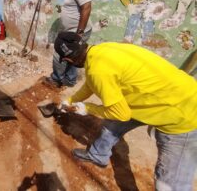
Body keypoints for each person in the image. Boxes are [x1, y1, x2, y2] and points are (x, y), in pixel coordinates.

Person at [54, 32, 197, 190]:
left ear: (68, 60)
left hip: (184, 114)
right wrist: (71, 100)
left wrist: (87, 108)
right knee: (112, 124)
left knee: (168, 185)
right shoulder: (101, 51)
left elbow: (121, 114)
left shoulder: (98, 70)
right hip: (159, 95)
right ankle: (98, 155)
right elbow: (91, 84)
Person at [45, 0, 92, 88]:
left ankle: (56, 79)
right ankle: (70, 80)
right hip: (72, 32)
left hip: (77, 32)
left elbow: (86, 7)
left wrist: (79, 34)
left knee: (59, 53)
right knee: (72, 55)